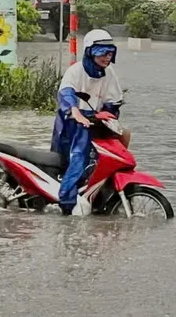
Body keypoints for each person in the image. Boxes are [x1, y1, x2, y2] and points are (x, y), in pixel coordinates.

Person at [50, 29, 129, 215]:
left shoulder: (109, 72)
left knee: (123, 139)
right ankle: (66, 201)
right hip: (73, 123)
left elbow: (114, 100)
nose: (106, 57)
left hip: (97, 120)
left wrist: (109, 115)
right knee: (79, 155)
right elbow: (66, 93)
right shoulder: (75, 71)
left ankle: (103, 191)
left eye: (110, 53)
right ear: (90, 52)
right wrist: (75, 111)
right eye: (102, 53)